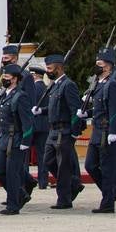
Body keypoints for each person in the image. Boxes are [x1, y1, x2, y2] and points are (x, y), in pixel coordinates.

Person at [83, 47, 116, 214]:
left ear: (108, 66)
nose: (96, 66)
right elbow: (98, 108)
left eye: (100, 63)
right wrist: (86, 113)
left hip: (106, 131)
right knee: (90, 165)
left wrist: (113, 130)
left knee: (107, 167)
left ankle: (108, 202)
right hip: (97, 130)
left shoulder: (111, 84)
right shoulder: (98, 83)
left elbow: (114, 109)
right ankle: (108, 193)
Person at [42, 54, 82, 209]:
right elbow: (55, 108)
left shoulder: (68, 85)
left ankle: (64, 199)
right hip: (52, 130)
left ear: (58, 68)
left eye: (50, 68)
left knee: (63, 165)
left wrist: (74, 132)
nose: (48, 71)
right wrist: (42, 111)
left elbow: (75, 110)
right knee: (48, 161)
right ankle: (74, 183)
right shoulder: (55, 85)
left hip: (63, 131)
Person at [0, 64, 34, 215]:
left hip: (16, 138)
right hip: (4, 137)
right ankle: (20, 194)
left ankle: (13, 205)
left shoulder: (20, 96)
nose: (4, 80)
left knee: (12, 172)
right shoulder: (4, 94)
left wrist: (26, 141)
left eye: (6, 78)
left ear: (15, 79)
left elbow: (27, 121)